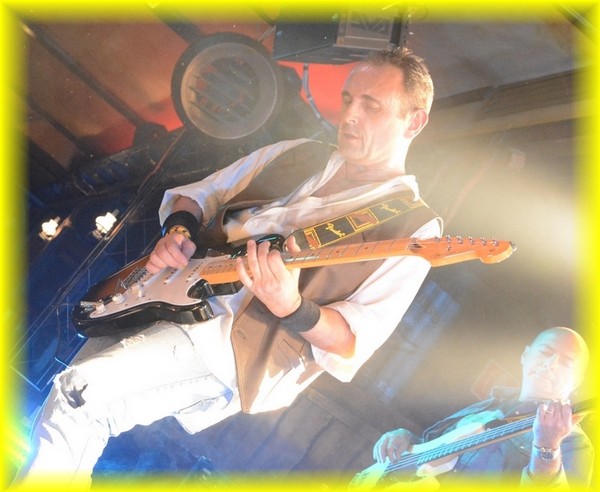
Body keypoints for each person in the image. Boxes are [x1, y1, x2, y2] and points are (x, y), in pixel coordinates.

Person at [16, 46, 442, 488]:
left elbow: (353, 340)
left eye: (371, 106)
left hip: (232, 342)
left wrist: (291, 305)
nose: (349, 115)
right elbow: (198, 195)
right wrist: (177, 233)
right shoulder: (298, 152)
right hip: (163, 293)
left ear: (414, 121)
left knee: (78, 394)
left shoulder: (414, 226)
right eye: (349, 98)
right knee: (73, 404)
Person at [365, 327, 593, 488]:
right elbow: (433, 451)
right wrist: (406, 441)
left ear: (577, 383)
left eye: (566, 363)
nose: (550, 364)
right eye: (545, 352)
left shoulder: (575, 444)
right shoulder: (492, 404)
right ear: (525, 355)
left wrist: (547, 448)